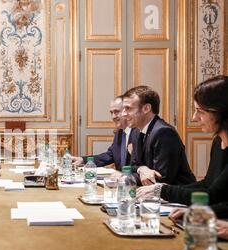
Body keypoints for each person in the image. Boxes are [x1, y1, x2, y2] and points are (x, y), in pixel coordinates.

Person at [137, 76, 228, 223]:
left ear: (221, 111)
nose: (194, 117)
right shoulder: (218, 141)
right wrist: (164, 189)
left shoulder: (163, 132)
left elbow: (214, 195)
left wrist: (163, 190)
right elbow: (208, 184)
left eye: (200, 111)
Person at [122, 86, 196, 186]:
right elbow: (132, 166)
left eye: (128, 108)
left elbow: (160, 178)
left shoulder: (164, 133)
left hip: (178, 196)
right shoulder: (135, 130)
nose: (123, 114)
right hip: (151, 195)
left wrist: (123, 178)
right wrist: (141, 169)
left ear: (146, 108)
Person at [72, 96, 139, 171]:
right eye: (111, 112)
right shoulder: (119, 132)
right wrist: (83, 160)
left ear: (126, 111)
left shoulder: (138, 133)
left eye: (116, 112)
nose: (113, 116)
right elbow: (110, 155)